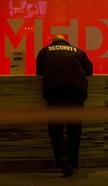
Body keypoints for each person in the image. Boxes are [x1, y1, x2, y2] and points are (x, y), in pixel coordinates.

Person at [36, 35, 93, 177]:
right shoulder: (78, 51)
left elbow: (39, 72)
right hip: (76, 91)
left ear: (53, 42)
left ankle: (62, 157)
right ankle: (73, 162)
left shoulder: (45, 51)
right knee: (74, 127)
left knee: (55, 128)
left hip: (55, 91)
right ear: (67, 42)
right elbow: (89, 70)